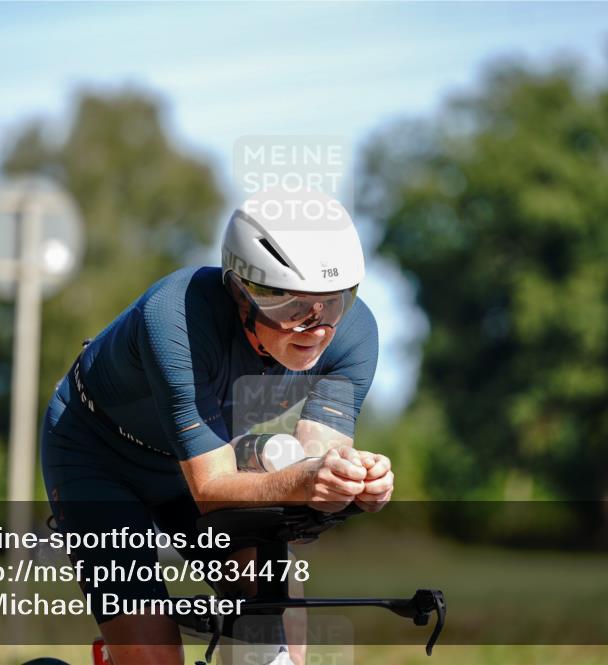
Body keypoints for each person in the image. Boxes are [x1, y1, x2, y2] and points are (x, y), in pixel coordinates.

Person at [40, 194, 394, 665]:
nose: (316, 328)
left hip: (210, 458)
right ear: (239, 291)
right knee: (153, 658)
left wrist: (350, 485)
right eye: (290, 305)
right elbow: (209, 489)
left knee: (279, 634)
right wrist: (307, 481)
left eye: (333, 303)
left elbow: (310, 484)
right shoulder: (176, 316)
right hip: (99, 457)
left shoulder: (355, 334)